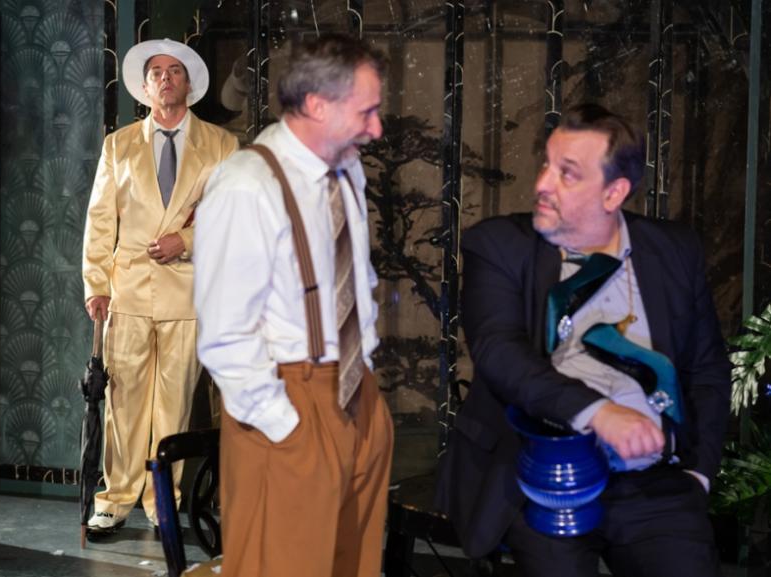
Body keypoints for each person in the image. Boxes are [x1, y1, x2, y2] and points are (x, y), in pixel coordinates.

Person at [435, 103, 731, 576]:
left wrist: (699, 473)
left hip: (655, 481)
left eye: (567, 174)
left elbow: (708, 369)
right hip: (544, 473)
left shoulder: (675, 250)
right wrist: (599, 413)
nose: (542, 184)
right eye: (546, 165)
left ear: (614, 193)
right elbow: (499, 353)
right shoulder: (498, 245)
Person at [194, 34, 393, 577]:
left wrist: (368, 394)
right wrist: (284, 427)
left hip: (357, 393)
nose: (377, 128)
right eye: (367, 112)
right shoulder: (246, 185)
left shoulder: (347, 170)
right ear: (317, 105)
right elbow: (225, 335)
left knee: (354, 567)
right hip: (289, 405)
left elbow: (357, 281)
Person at [81, 38, 238, 535]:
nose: (166, 79)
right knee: (123, 402)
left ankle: (162, 500)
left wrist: (186, 241)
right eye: (157, 73)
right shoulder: (119, 145)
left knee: (174, 406)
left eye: (175, 71)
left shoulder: (222, 144)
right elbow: (100, 220)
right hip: (127, 291)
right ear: (145, 86)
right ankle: (115, 498)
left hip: (189, 293)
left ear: (189, 84)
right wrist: (96, 284)